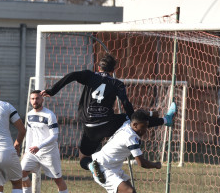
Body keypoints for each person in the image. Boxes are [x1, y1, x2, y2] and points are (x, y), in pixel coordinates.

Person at [41, 54, 176, 172]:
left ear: (98, 67)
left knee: (83, 158)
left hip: (90, 127)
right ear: (113, 70)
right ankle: (164, 120)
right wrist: (133, 117)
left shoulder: (89, 75)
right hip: (108, 124)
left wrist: (53, 90)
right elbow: (126, 103)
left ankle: (91, 167)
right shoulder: (117, 83)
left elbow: (71, 76)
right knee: (135, 119)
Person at [90, 110, 163, 193]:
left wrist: (151, 114)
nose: (146, 130)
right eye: (144, 127)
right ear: (135, 125)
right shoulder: (131, 137)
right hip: (102, 168)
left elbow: (137, 112)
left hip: (112, 167)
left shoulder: (127, 123)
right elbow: (141, 163)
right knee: (131, 192)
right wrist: (156, 165)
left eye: (147, 126)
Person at [20, 90, 71, 193]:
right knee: (20, 173)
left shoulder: (49, 115)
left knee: (57, 179)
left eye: (37, 98)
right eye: (32, 99)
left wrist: (39, 146)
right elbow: (30, 134)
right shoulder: (30, 115)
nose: (34, 101)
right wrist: (27, 151)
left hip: (49, 153)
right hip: (33, 153)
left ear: (42, 99)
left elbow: (54, 136)